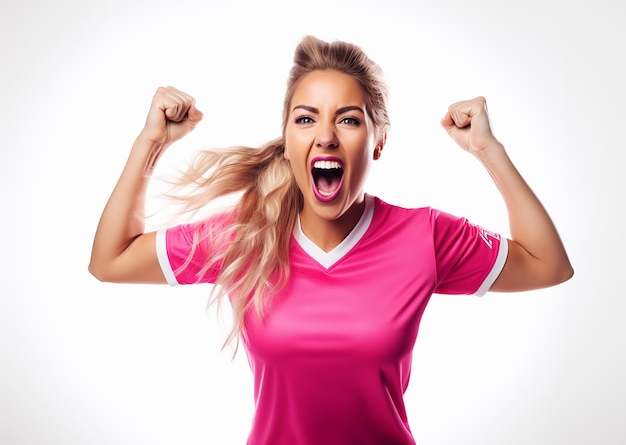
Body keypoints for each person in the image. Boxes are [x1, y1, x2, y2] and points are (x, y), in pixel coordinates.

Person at [89, 35, 573, 444]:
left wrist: (488, 150)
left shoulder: (424, 235)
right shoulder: (246, 235)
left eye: (348, 119)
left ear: (378, 140)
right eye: (306, 119)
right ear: (287, 139)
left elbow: (548, 265)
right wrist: (150, 144)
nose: (325, 136)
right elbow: (110, 260)